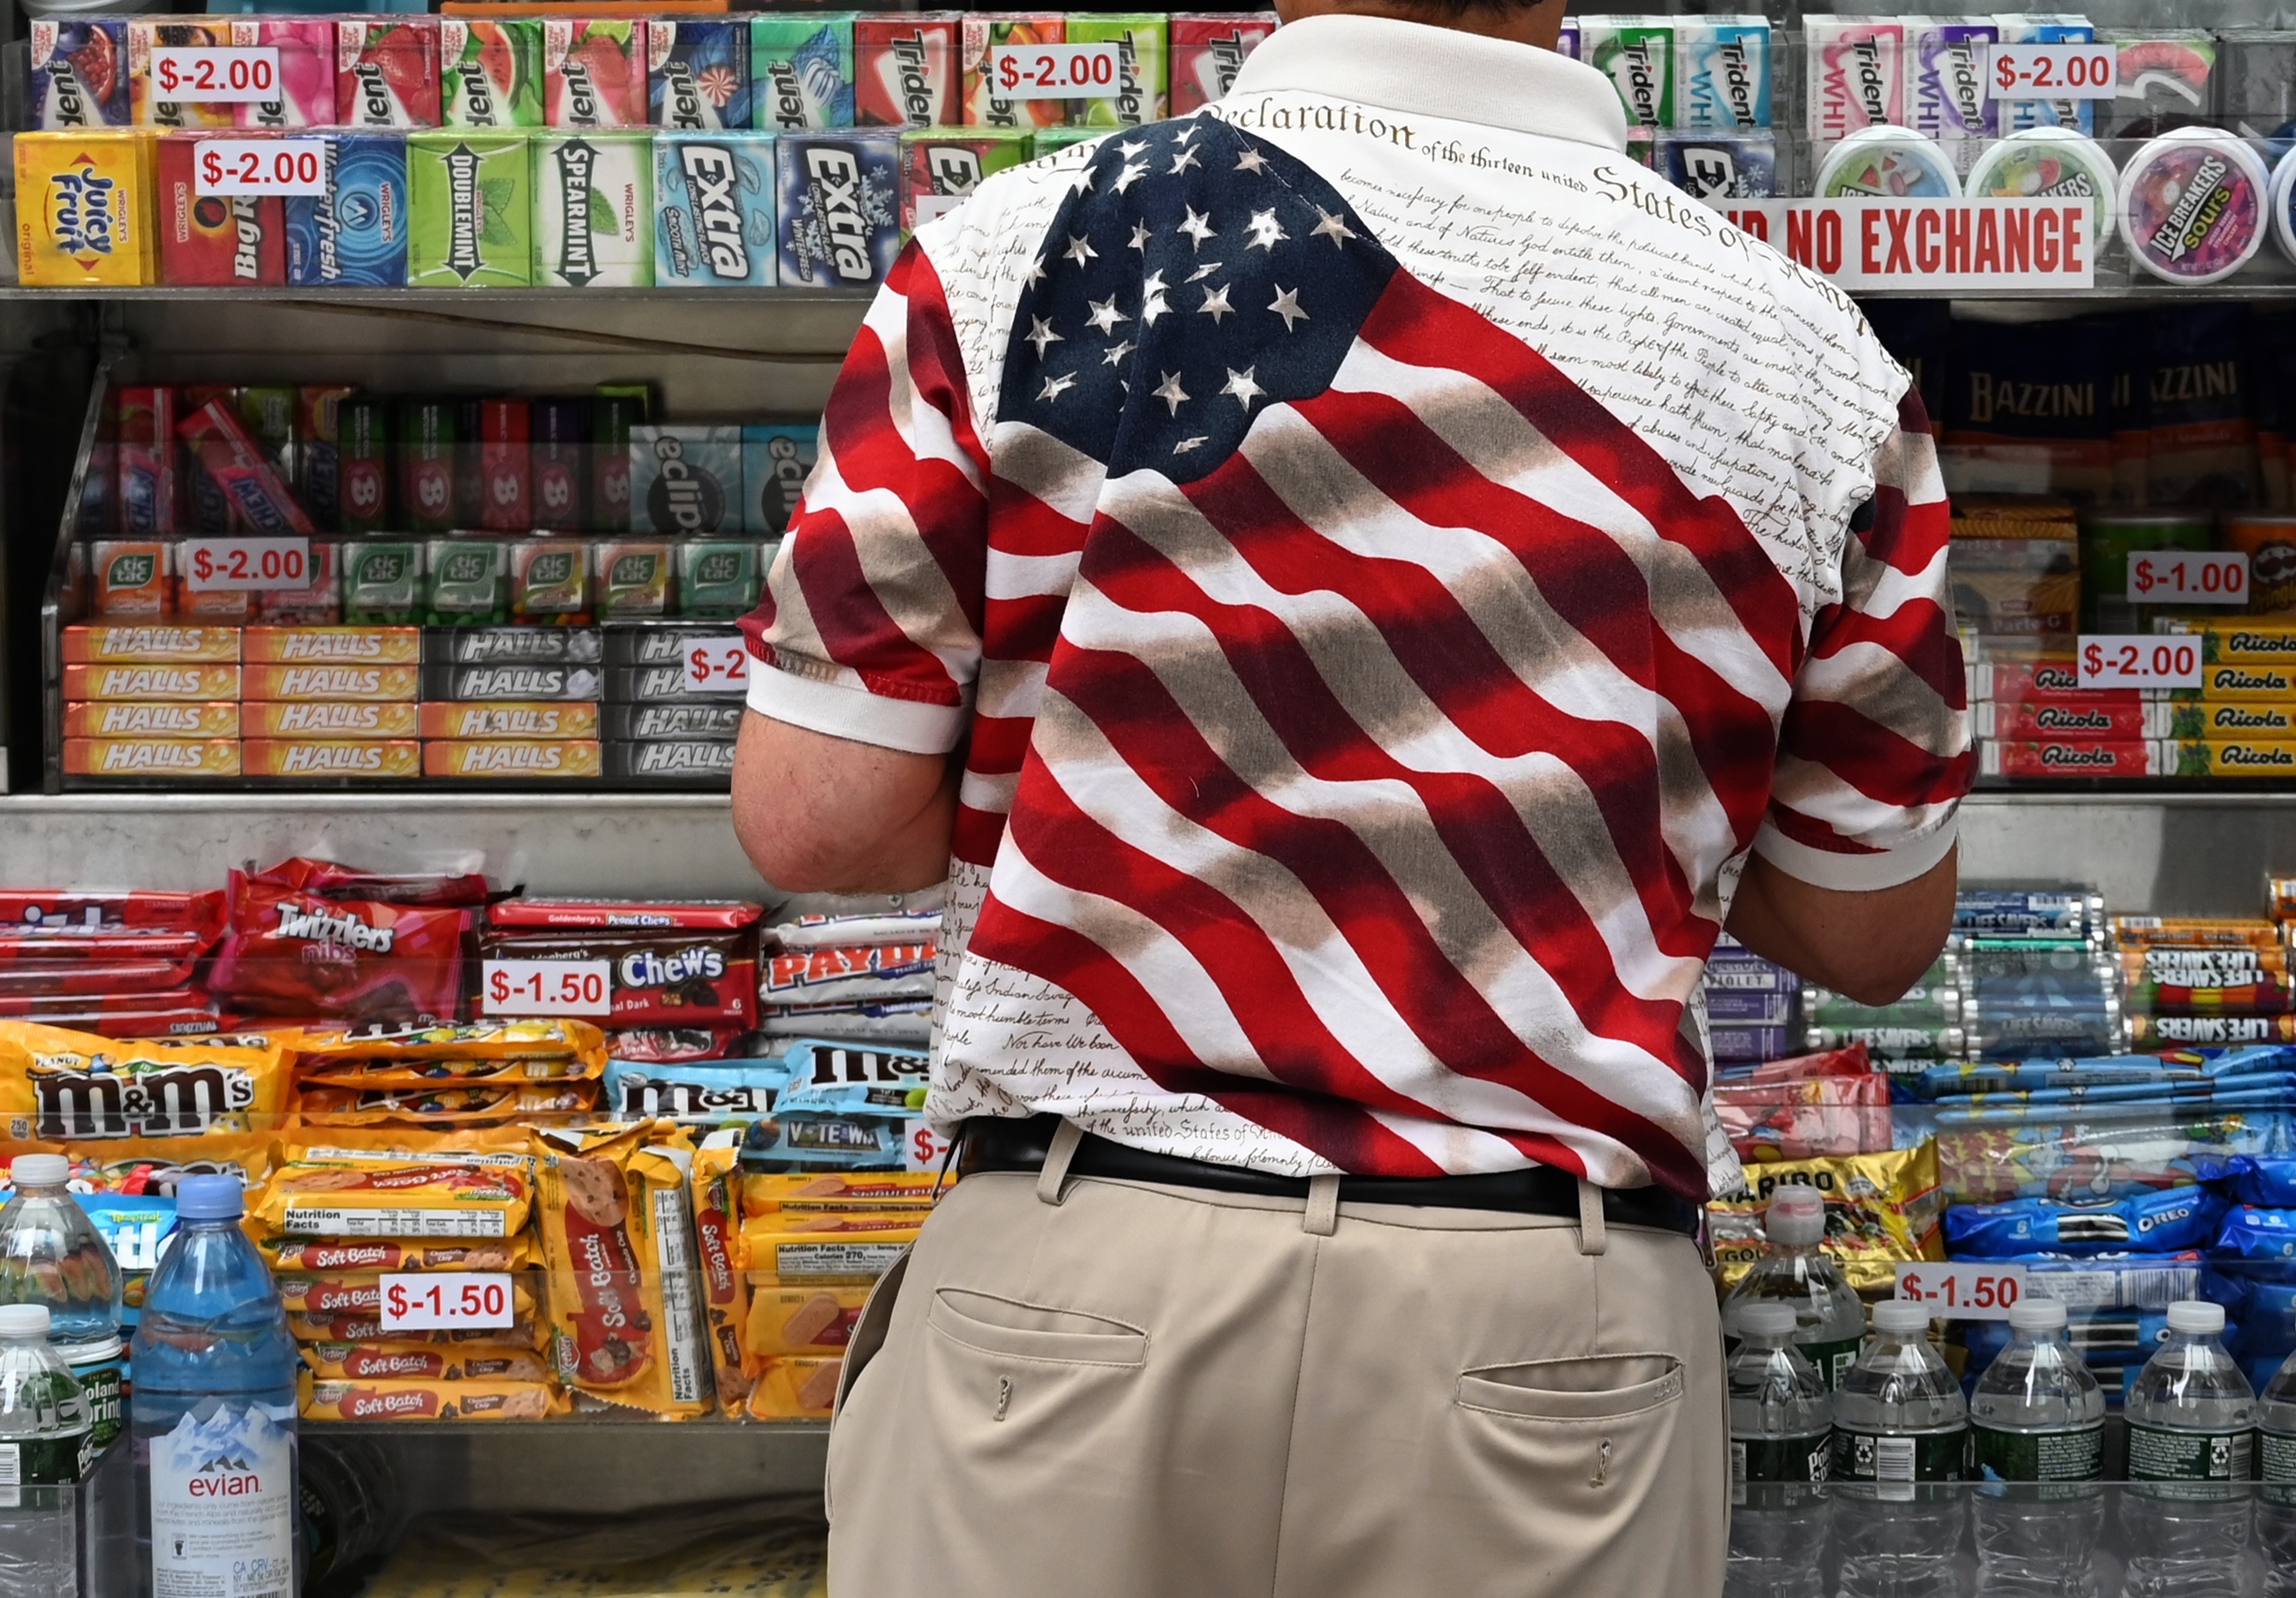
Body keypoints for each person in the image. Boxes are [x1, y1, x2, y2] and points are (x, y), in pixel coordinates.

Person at [729, 0, 1971, 1588]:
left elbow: (817, 817)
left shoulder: (1014, 248)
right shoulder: (1817, 359)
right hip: (1546, 1312)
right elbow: (1869, 928)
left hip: (1076, 1271)